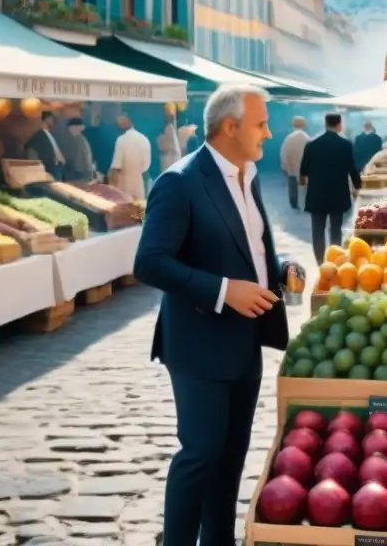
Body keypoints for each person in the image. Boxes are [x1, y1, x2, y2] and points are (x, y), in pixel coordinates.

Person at [133, 84, 290, 546]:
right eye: (261, 123)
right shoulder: (179, 182)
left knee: (231, 457)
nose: (269, 132)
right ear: (230, 126)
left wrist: (281, 272)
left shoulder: (250, 174)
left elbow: (247, 250)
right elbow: (150, 262)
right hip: (200, 344)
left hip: (245, 344)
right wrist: (224, 291)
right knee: (200, 456)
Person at [300, 113, 362, 264]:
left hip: (317, 195)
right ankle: (335, 261)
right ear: (339, 125)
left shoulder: (311, 145)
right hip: (337, 194)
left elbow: (303, 171)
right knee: (336, 229)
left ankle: (320, 263)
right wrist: (358, 186)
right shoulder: (345, 144)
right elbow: (351, 168)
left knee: (317, 231)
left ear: (325, 124)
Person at [110, 113, 151, 199]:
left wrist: (111, 189)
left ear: (128, 121)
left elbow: (116, 167)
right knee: (138, 210)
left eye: (120, 122)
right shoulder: (144, 139)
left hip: (124, 187)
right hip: (139, 185)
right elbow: (146, 166)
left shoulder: (121, 140)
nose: (119, 124)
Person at [24, 111, 66, 181]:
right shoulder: (39, 136)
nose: (53, 121)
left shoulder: (50, 134)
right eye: (52, 119)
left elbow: (54, 148)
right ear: (46, 119)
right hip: (48, 168)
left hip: (56, 167)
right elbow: (32, 151)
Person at [279, 117, 310, 210]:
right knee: (307, 188)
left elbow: (283, 154)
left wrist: (284, 167)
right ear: (304, 125)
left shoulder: (289, 138)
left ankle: (294, 204)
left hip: (291, 168)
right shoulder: (307, 138)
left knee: (292, 187)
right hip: (305, 169)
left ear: (293, 125)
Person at [62, 118, 96, 182]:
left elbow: (79, 160)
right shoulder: (79, 139)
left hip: (79, 175)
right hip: (80, 174)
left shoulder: (78, 140)